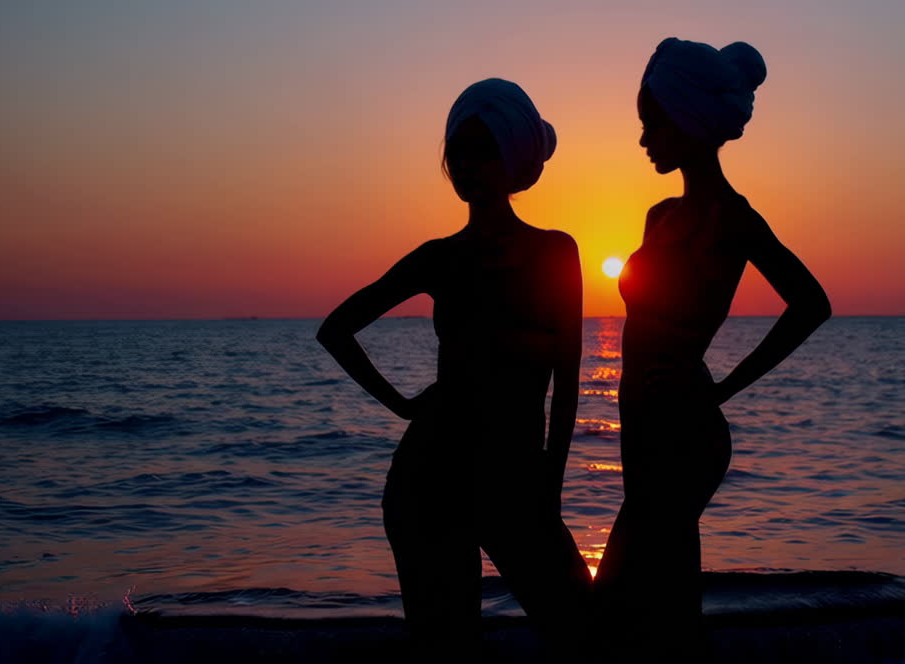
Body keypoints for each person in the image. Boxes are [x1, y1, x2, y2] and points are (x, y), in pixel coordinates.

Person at [316, 78, 591, 659]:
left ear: (512, 157)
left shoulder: (555, 252)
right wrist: (407, 406)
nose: (466, 164)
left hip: (517, 475)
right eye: (457, 152)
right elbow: (336, 330)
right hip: (429, 479)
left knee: (583, 630)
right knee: (448, 648)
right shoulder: (439, 257)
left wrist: (552, 484)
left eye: (481, 150)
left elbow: (567, 379)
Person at [595, 38, 832, 657]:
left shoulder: (733, 217)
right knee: (658, 599)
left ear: (690, 120)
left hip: (685, 433)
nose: (645, 138)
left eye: (654, 123)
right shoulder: (657, 215)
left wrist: (722, 388)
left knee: (630, 597)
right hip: (644, 431)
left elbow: (811, 304)